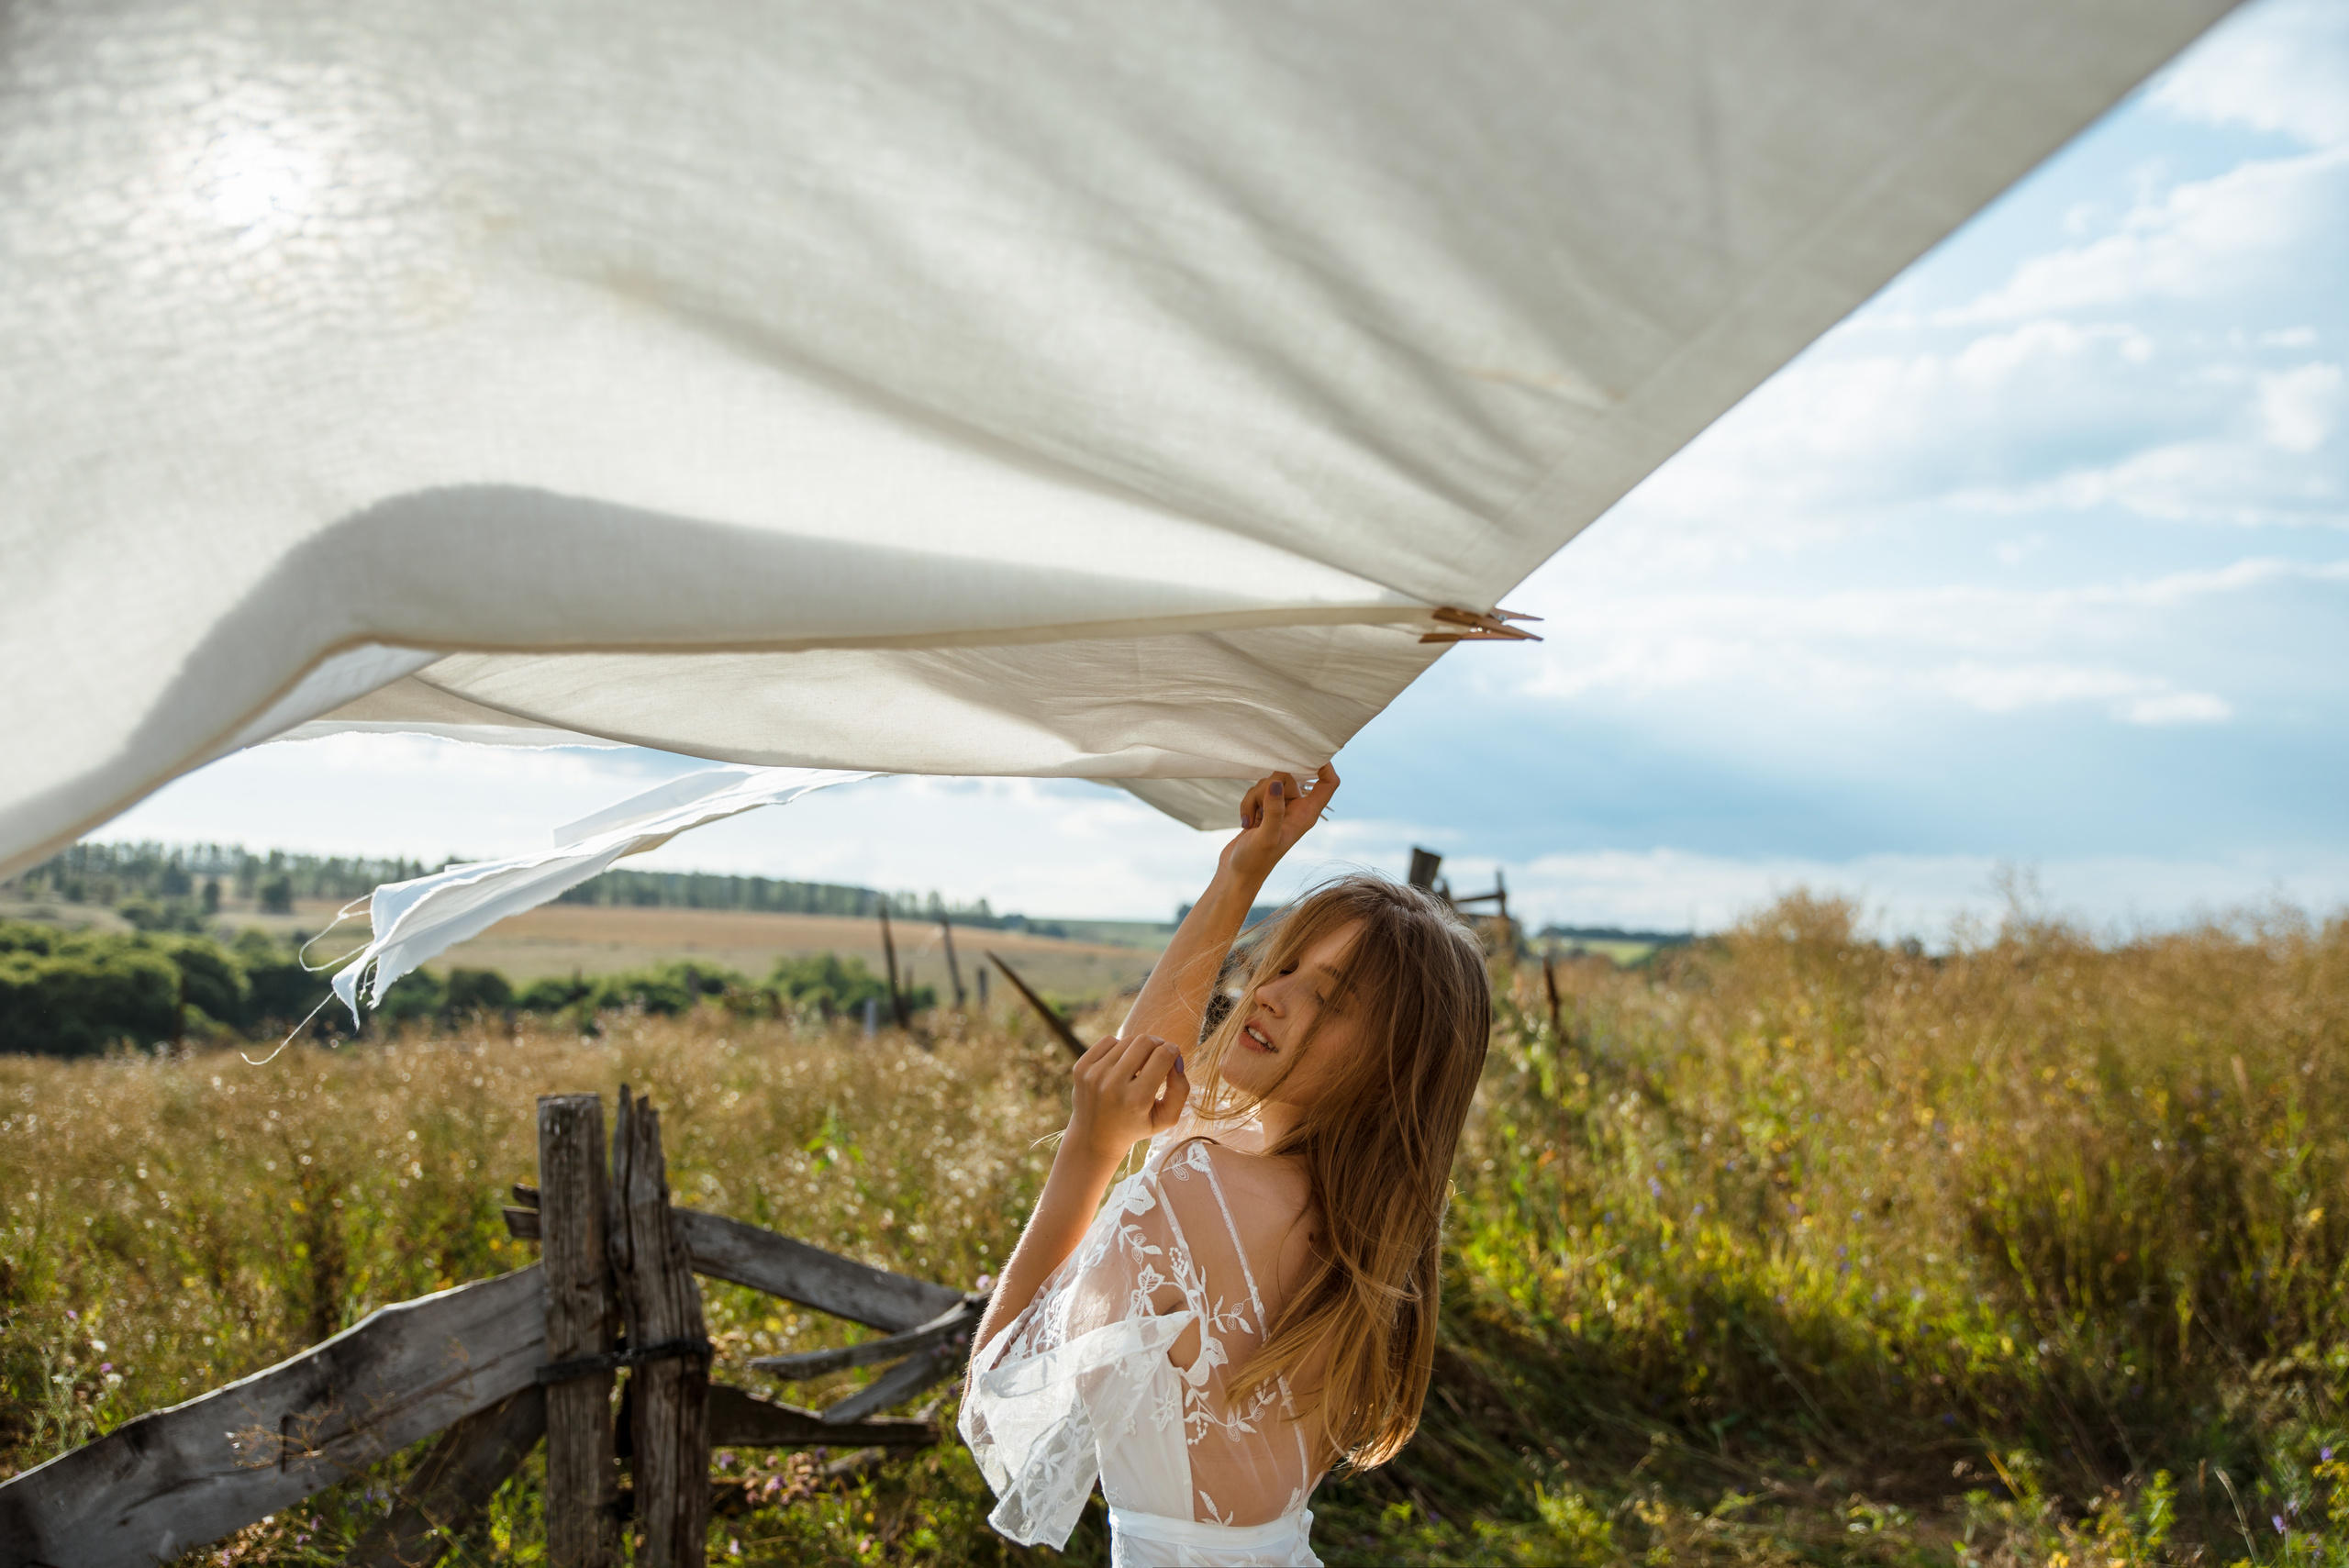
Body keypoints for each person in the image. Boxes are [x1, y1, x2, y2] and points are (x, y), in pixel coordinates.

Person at [960, 764, 1493, 1566]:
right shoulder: (1369, 1226)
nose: (1271, 996)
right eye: (1281, 967)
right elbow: (1158, 1070)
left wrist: (1088, 1149)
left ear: (1395, 1064)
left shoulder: (1192, 1187)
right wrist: (1241, 872)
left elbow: (994, 1394)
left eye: (1331, 997)